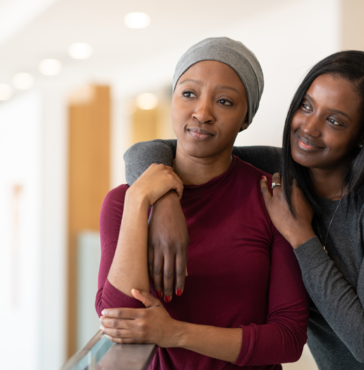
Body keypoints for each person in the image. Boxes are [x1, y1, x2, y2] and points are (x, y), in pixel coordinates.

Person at [122, 50, 364, 369]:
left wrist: (301, 235)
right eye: (307, 106)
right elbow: (147, 151)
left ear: (363, 135)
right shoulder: (277, 170)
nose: (308, 128)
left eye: (334, 121)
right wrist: (165, 201)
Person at [96, 37, 310, 370]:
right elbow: (117, 317)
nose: (202, 112)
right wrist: (140, 201)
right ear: (172, 100)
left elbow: (288, 338)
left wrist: (176, 333)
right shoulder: (124, 202)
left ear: (245, 119)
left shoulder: (272, 198)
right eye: (189, 94)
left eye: (224, 101)